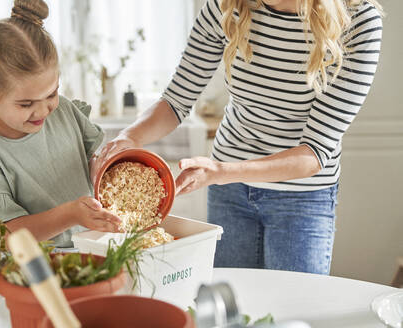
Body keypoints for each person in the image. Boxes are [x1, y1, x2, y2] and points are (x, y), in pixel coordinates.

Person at [94, 0, 383, 274]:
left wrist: (221, 171)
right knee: (232, 305)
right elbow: (176, 100)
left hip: (302, 199)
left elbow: (313, 153)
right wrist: (131, 136)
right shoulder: (227, 6)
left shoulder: (357, 22)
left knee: (292, 310)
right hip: (229, 194)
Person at [0, 0, 121, 248]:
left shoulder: (63, 111)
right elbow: (2, 236)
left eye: (51, 94)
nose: (43, 110)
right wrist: (69, 215)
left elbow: (87, 162)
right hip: (33, 273)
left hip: (92, 252)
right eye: (26, 103)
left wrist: (105, 169)